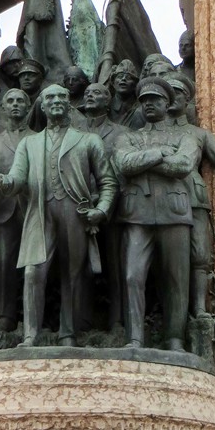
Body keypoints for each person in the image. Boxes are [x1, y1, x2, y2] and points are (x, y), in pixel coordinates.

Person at [0, 84, 118, 347]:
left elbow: (108, 181)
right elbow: (18, 177)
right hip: (40, 213)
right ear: (41, 105)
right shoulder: (29, 143)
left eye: (62, 96)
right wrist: (5, 183)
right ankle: (30, 334)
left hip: (75, 213)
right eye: (50, 97)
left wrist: (102, 209)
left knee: (72, 274)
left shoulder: (88, 140)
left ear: (69, 104)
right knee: (32, 272)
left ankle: (68, 333)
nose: (56, 101)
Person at [112, 78, 200, 351]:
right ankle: (135, 338)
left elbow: (183, 165)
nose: (149, 105)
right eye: (145, 101)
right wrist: (161, 154)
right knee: (133, 277)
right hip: (137, 215)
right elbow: (125, 164)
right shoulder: (128, 137)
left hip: (174, 214)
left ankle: (175, 339)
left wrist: (145, 161)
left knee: (177, 280)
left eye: (155, 100)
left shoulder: (185, 137)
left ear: (167, 103)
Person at [165, 75, 215, 317]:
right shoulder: (149, 132)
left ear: (187, 100)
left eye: (177, 93)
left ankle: (199, 309)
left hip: (193, 197)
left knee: (200, 254)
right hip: (160, 199)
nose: (172, 98)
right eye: (167, 93)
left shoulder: (198, 134)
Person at [77, 82, 129, 329]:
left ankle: (117, 320)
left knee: (115, 266)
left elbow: (122, 171)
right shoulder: (73, 131)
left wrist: (103, 200)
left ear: (108, 101)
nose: (89, 95)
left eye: (96, 93)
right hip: (79, 207)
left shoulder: (121, 133)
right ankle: (83, 320)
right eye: (87, 93)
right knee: (79, 267)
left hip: (113, 207)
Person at [0, 89, 34, 332]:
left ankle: (35, 315)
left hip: (32, 208)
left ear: (28, 106)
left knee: (35, 264)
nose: (15, 105)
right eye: (10, 101)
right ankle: (7, 314)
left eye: (20, 101)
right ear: (3, 108)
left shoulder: (38, 137)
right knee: (3, 263)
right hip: (2, 210)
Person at [109, 59, 145, 129]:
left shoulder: (140, 108)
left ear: (135, 85)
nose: (123, 79)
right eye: (120, 76)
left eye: (128, 77)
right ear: (113, 83)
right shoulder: (107, 106)